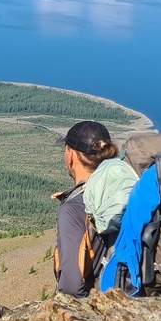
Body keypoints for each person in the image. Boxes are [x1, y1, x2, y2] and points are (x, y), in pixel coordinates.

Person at [53, 120, 135, 296]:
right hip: (133, 291)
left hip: (103, 301)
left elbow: (71, 287)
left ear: (71, 155)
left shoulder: (73, 209)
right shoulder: (125, 190)